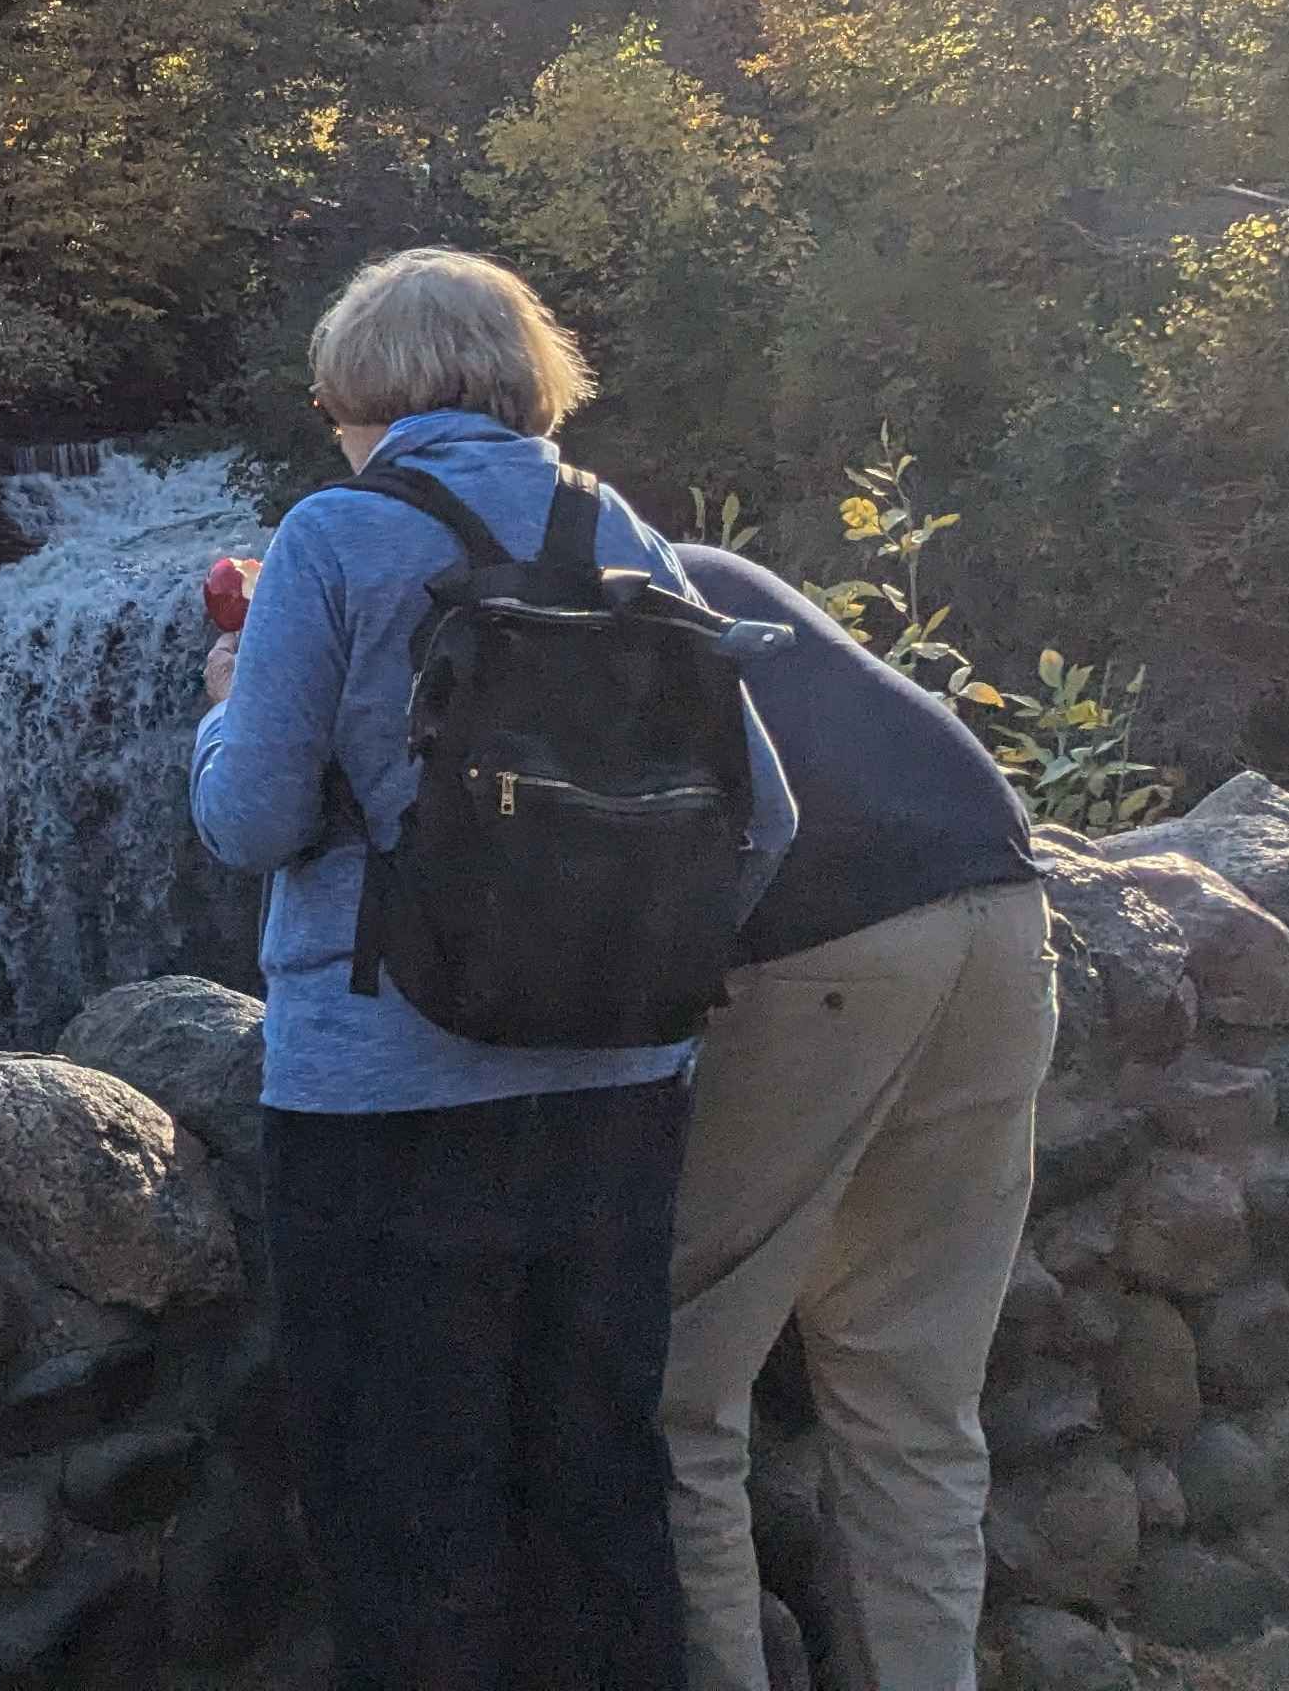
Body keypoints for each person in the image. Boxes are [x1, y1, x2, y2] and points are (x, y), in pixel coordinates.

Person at [192, 248, 798, 1691]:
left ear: (363, 397)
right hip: (618, 1094)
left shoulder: (336, 534)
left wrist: (220, 707)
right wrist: (617, 966)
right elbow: (762, 821)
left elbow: (250, 819)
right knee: (596, 1492)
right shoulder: (622, 530)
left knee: (407, 1508)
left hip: (385, 1103)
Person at [654, 544, 1051, 1691]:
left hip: (831, 947)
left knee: (675, 1393)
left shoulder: (541, 603)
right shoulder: (694, 566)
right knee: (911, 1406)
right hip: (1004, 907)